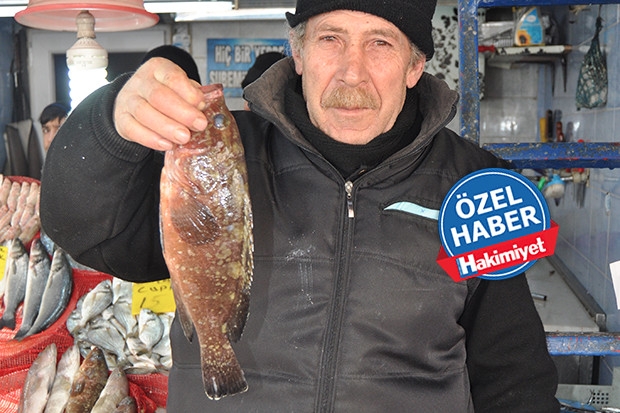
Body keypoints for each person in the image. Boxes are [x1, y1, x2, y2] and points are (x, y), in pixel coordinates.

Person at [40, 0, 560, 411]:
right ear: (299, 52)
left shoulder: (477, 185)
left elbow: (513, 371)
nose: (352, 73)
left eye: (380, 43)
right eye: (331, 38)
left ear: (414, 66)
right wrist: (111, 122)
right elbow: (87, 232)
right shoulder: (216, 150)